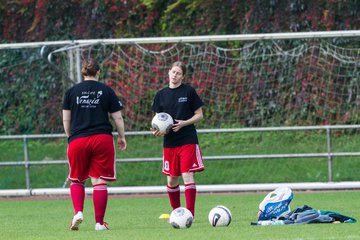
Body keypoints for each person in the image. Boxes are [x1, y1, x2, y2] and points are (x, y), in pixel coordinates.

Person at [62, 58, 126, 231]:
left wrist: (71, 137)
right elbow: (117, 117)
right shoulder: (106, 90)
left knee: (77, 178)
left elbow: (66, 119)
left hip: (78, 139)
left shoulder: (71, 92)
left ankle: (78, 212)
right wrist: (122, 137)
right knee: (99, 181)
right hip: (101, 139)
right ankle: (99, 223)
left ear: (83, 73)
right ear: (98, 72)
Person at [151, 61, 205, 219]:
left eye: (178, 73)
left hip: (187, 139)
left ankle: (190, 214)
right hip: (170, 143)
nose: (175, 75)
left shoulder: (189, 92)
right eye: (173, 72)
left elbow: (199, 115)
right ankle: (177, 213)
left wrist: (184, 123)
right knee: (172, 179)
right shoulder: (160, 94)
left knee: (187, 175)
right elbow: (157, 120)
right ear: (168, 72)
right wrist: (157, 131)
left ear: (183, 76)